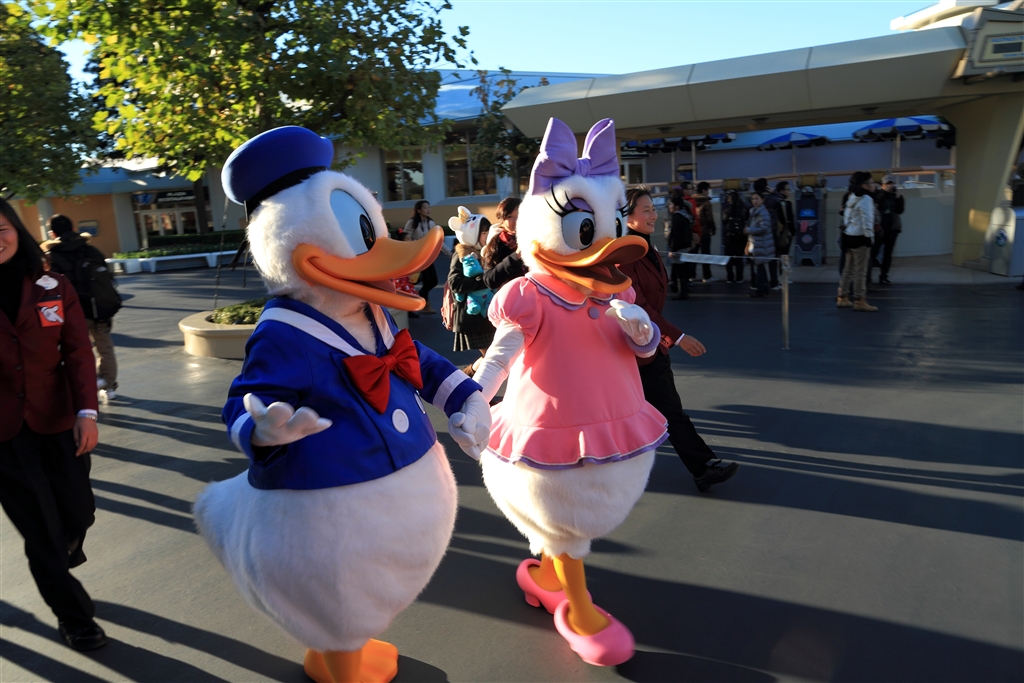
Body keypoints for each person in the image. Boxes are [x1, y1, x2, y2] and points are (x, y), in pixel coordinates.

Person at [0, 199, 107, 652]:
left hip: (59, 419)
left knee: (79, 512)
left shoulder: (53, 285)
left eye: (0, 229)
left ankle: (60, 560)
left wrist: (87, 413)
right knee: (41, 529)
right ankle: (75, 617)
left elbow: (78, 352)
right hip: (5, 435)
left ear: (15, 230)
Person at [617, 187, 740, 492]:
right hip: (627, 351)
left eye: (653, 209)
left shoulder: (648, 248)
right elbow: (638, 306)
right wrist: (679, 336)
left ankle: (702, 467)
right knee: (625, 416)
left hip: (650, 346)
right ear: (628, 218)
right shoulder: (621, 256)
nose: (654, 215)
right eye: (646, 210)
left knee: (668, 410)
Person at [43, 215, 120, 401]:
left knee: (79, 350)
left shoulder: (53, 256)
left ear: (52, 233)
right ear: (73, 229)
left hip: (75, 311)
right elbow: (108, 278)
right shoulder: (91, 250)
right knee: (105, 347)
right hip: (100, 307)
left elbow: (52, 287)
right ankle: (109, 386)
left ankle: (86, 387)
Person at [447, 207, 496, 364]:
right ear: (472, 234)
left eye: (488, 232)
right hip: (472, 316)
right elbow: (454, 283)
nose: (487, 236)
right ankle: (469, 376)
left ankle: (470, 374)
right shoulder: (461, 255)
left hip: (486, 314)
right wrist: (485, 279)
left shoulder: (485, 252)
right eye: (483, 233)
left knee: (492, 359)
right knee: (492, 359)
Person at [837, 171, 879, 311]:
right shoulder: (866, 199)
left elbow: (846, 216)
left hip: (848, 236)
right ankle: (860, 300)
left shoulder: (852, 197)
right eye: (872, 183)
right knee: (861, 271)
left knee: (848, 269)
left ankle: (842, 297)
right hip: (861, 237)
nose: (874, 185)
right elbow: (867, 219)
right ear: (864, 185)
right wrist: (869, 237)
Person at [481, 196, 526, 292]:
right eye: (509, 216)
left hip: (537, 296)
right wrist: (515, 257)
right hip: (511, 297)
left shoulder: (535, 238)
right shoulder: (496, 243)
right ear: (502, 220)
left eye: (519, 215)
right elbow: (489, 280)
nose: (515, 220)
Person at [403, 200, 439, 314]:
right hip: (417, 257)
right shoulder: (412, 223)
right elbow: (405, 238)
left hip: (428, 257)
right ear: (419, 210)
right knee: (423, 280)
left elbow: (438, 240)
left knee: (433, 281)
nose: (428, 210)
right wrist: (414, 246)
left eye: (429, 207)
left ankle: (418, 297)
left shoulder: (431, 223)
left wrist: (450, 253)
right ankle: (422, 304)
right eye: (425, 208)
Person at [869, 176, 904, 286]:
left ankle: (884, 276)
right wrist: (884, 192)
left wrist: (898, 197)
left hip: (892, 227)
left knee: (888, 254)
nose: (890, 186)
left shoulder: (896, 196)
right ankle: (867, 278)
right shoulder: (878, 194)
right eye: (887, 184)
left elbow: (900, 210)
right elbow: (876, 205)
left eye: (891, 183)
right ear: (882, 185)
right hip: (879, 227)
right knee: (873, 252)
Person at [765, 181, 795, 289]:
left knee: (778, 257)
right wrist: (792, 231)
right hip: (782, 233)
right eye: (787, 189)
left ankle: (779, 279)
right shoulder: (782, 203)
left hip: (778, 233)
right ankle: (781, 279)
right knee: (782, 256)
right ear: (781, 191)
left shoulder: (772, 201)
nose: (789, 191)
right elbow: (787, 219)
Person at [745, 192, 774, 298]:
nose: (755, 201)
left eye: (757, 198)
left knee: (759, 267)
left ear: (762, 200)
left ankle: (760, 289)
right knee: (759, 267)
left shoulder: (763, 213)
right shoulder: (753, 212)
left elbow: (763, 228)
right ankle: (764, 288)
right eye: (753, 199)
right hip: (755, 243)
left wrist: (749, 230)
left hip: (762, 244)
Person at [666, 192, 695, 299]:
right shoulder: (685, 215)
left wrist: (673, 249)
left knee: (680, 271)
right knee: (683, 269)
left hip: (679, 248)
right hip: (686, 246)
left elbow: (676, 235)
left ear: (676, 206)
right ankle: (683, 289)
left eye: (671, 204)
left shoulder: (677, 217)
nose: (669, 206)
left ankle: (682, 292)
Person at [721, 189, 748, 283]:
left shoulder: (727, 209)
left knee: (728, 258)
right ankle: (739, 277)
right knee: (739, 258)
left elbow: (724, 220)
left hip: (729, 236)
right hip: (741, 236)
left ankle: (730, 277)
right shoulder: (743, 208)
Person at [694, 182, 717, 282]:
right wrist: (713, 228)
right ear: (704, 190)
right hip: (705, 231)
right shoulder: (707, 203)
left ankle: (691, 275)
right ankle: (707, 276)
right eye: (707, 190)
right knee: (706, 255)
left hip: (695, 232)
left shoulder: (692, 201)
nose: (708, 192)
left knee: (693, 255)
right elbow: (709, 218)